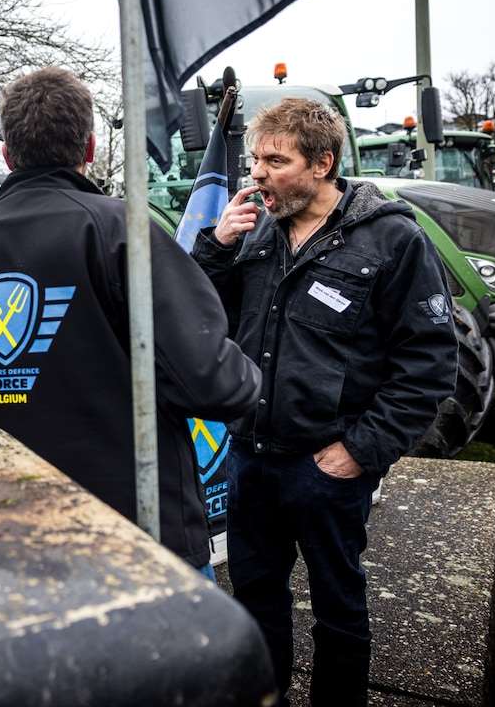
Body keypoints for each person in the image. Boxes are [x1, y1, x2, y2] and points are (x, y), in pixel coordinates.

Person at [0, 66, 261, 576]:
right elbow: (215, 383)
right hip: (134, 539)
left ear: (7, 154)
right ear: (88, 148)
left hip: (6, 538)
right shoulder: (123, 232)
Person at [190, 97, 457, 706]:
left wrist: (359, 451)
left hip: (327, 466)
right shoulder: (253, 230)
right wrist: (216, 251)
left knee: (338, 608)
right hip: (251, 457)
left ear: (323, 163)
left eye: (275, 160)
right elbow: (204, 324)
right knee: (255, 602)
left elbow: (429, 364)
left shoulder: (392, 240)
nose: (257, 172)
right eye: (255, 159)